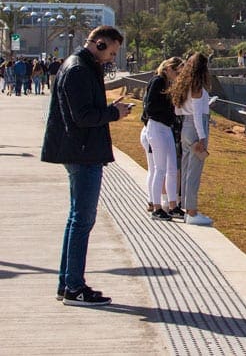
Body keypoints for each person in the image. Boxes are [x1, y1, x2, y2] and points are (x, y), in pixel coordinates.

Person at [41, 25, 132, 306]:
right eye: (112, 52)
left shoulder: (79, 66)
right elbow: (82, 117)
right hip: (83, 153)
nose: (111, 59)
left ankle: (67, 283)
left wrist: (108, 110)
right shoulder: (79, 69)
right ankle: (74, 288)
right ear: (100, 44)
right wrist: (113, 114)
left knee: (76, 220)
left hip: (81, 151)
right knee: (82, 220)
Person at [169, 52, 213, 225]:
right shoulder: (197, 88)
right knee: (194, 172)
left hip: (186, 128)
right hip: (196, 128)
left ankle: (187, 208)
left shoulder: (184, 85)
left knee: (187, 169)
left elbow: (178, 110)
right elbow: (197, 114)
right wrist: (202, 137)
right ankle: (192, 212)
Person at [142, 57, 184, 220]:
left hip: (166, 127)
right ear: (168, 69)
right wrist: (169, 110)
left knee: (171, 168)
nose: (178, 75)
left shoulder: (168, 84)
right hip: (157, 126)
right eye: (176, 71)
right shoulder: (158, 81)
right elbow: (151, 106)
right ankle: (156, 207)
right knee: (159, 168)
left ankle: (173, 204)